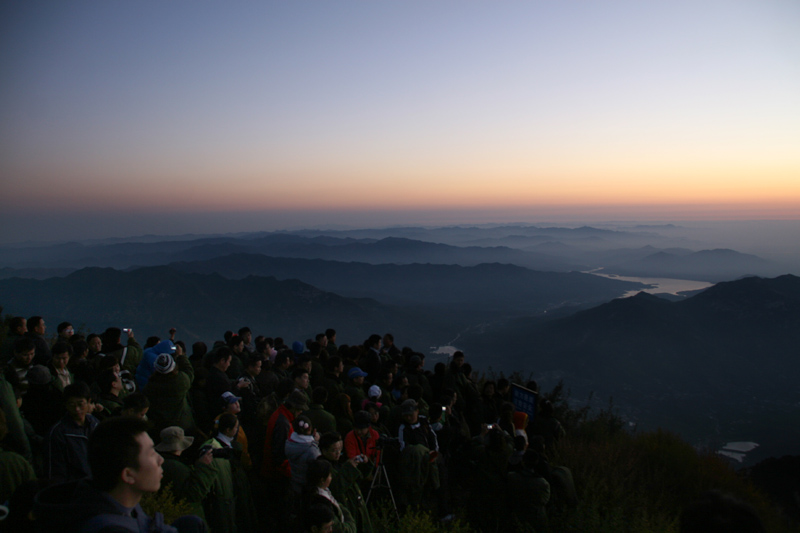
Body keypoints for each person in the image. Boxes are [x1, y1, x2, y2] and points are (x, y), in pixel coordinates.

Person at [34, 416, 206, 532]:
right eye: (152, 453)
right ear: (128, 475)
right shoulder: (108, 527)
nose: (161, 460)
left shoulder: (119, 504)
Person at [156, 426, 216, 521]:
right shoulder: (177, 468)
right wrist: (203, 467)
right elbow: (195, 493)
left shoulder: (159, 463)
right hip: (184, 517)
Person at [45, 381, 99, 483]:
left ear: (88, 402)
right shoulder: (58, 433)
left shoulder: (95, 424)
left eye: (80, 404)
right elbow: (56, 471)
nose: (77, 409)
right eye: (71, 404)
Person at [303, 459, 357, 533]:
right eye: (330, 475)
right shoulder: (321, 503)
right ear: (322, 480)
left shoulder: (322, 492)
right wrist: (350, 523)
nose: (331, 478)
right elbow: (339, 529)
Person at [285, 414, 321, 493]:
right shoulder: (312, 450)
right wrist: (315, 443)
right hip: (306, 487)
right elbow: (319, 465)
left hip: (293, 482)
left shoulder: (289, 443)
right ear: (311, 429)